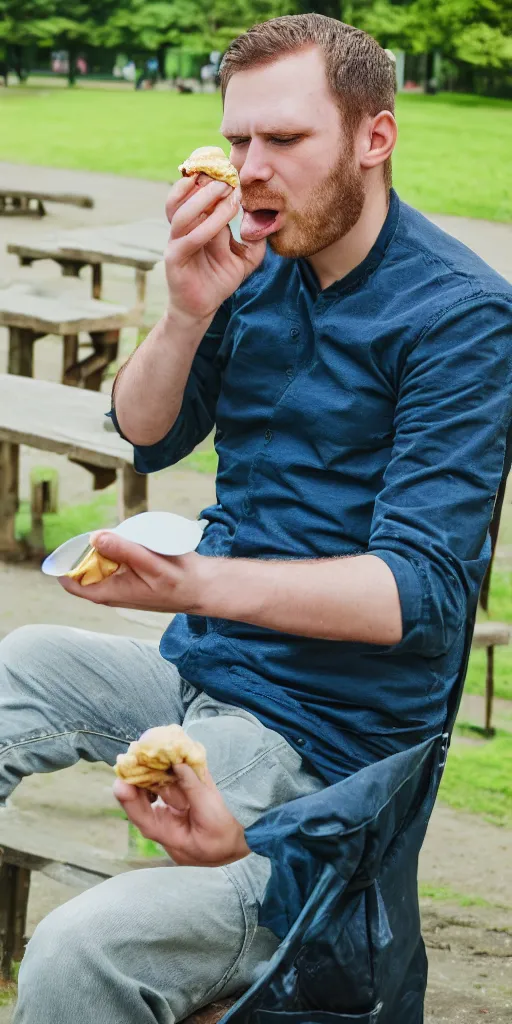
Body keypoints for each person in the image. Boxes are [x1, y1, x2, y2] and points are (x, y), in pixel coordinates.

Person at [1, 13, 511, 1023]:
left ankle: (266, 912)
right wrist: (186, 308)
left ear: (375, 135)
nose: (250, 169)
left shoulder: (458, 315)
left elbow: (418, 594)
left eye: (283, 139)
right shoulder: (254, 264)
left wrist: (189, 583)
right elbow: (143, 434)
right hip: (209, 670)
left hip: (325, 742)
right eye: (238, 141)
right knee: (22, 663)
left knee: (78, 948)